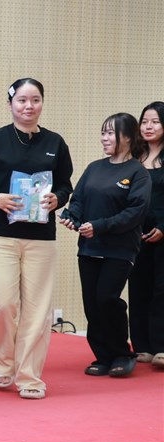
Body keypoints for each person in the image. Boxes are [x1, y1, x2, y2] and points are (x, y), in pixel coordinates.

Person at [0, 78, 74, 400]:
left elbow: (66, 184)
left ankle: (29, 376)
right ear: (10, 104)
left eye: (35, 100)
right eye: (22, 100)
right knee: (3, 302)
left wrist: (58, 199)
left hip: (41, 237)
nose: (29, 106)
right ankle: (2, 361)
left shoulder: (55, 142)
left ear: (42, 103)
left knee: (37, 310)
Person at [60, 113, 150, 378]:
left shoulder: (138, 172)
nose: (105, 138)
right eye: (103, 132)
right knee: (92, 304)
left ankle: (122, 353)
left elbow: (135, 213)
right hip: (89, 247)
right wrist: (72, 217)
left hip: (120, 249)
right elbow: (78, 199)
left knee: (107, 299)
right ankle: (103, 356)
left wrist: (99, 226)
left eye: (111, 133)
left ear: (128, 137)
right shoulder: (94, 168)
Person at [128, 101, 164, 368]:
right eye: (144, 122)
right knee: (138, 287)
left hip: (162, 230)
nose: (148, 126)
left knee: (161, 289)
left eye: (155, 122)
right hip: (136, 232)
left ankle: (161, 346)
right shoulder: (133, 156)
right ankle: (141, 345)